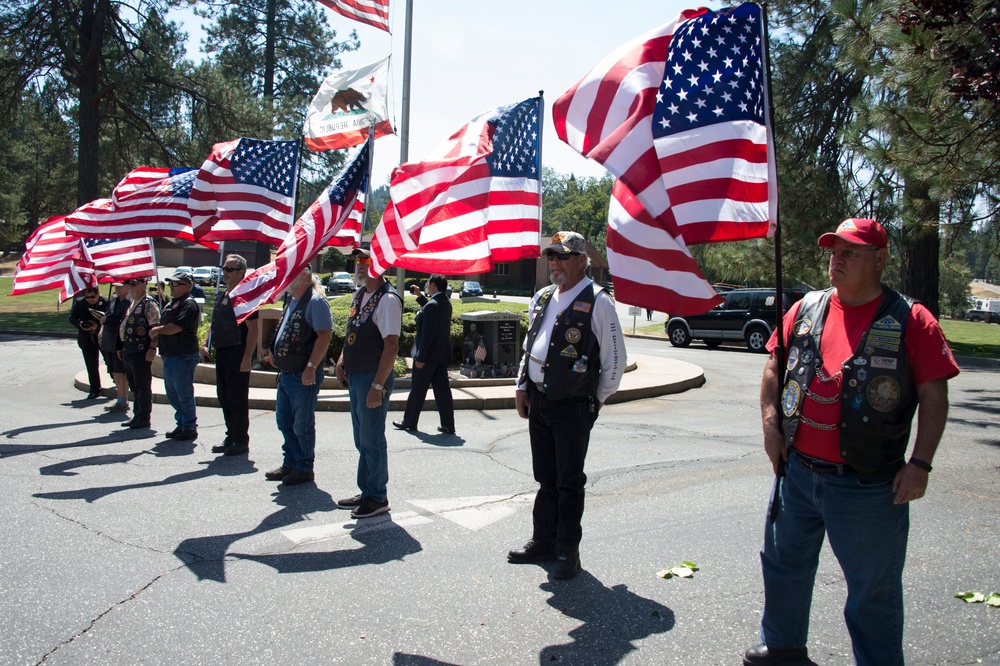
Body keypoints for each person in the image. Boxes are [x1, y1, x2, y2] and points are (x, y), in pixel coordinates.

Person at [743, 218, 960, 666]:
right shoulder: (806, 307)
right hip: (798, 472)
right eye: (833, 252)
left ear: (879, 260)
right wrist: (770, 426)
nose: (835, 261)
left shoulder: (910, 319)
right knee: (783, 565)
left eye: (849, 253)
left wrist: (920, 463)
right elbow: (773, 366)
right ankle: (783, 647)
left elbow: (933, 391)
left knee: (872, 590)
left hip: (868, 485)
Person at [508, 231, 626, 580]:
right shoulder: (543, 296)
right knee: (546, 478)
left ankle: (567, 551)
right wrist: (521, 385)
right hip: (540, 400)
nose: (555, 262)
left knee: (569, 482)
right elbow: (530, 345)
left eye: (562, 256)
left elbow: (615, 361)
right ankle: (542, 541)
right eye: (551, 256)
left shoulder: (599, 301)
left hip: (574, 404)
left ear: (580, 260)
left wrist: (597, 399)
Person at [334, 248, 401, 519]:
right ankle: (367, 489)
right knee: (361, 439)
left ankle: (377, 496)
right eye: (359, 261)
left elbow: (391, 346)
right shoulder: (360, 294)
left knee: (372, 439)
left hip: (373, 378)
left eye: (367, 260)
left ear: (381, 265)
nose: (360, 265)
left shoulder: (388, 299)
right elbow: (352, 331)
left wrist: (377, 386)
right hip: (356, 375)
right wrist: (340, 361)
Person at [263, 266, 333, 486]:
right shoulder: (292, 299)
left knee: (301, 425)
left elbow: (325, 336)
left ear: (304, 275)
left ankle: (304, 467)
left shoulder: (316, 302)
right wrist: (274, 351)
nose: (286, 277)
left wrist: (311, 367)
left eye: (291, 272)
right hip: (287, 373)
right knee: (284, 421)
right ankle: (291, 462)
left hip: (303, 374)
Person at [203, 254, 260, 456]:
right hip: (223, 350)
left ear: (241, 272)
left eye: (229, 269)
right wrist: (205, 343)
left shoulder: (246, 297)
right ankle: (231, 435)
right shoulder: (222, 295)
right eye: (224, 268)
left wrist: (247, 358)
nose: (225, 272)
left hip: (238, 352)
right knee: (224, 395)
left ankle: (240, 439)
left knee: (237, 398)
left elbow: (253, 329)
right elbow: (215, 322)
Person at [393, 275, 456, 434]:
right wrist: (420, 297)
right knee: (442, 391)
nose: (427, 286)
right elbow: (432, 312)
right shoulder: (445, 302)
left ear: (433, 285)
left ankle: (409, 421)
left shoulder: (432, 305)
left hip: (427, 358)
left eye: (428, 283)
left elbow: (427, 334)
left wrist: (420, 357)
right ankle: (448, 424)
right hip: (441, 356)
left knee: (418, 390)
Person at [150, 270, 202, 441]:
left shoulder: (188, 304)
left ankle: (189, 426)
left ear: (187, 286)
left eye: (175, 284)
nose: (171, 287)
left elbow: (176, 327)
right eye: (170, 283)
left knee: (183, 393)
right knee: (173, 393)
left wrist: (158, 330)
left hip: (183, 355)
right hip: (171, 354)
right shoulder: (172, 303)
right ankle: (181, 424)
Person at [118, 277, 159, 429]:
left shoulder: (149, 304)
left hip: (141, 350)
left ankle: (144, 417)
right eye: (130, 285)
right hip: (129, 349)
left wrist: (152, 348)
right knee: (134, 386)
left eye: (134, 284)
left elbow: (155, 328)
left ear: (143, 284)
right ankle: (137, 415)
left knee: (142, 386)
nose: (131, 288)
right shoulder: (132, 303)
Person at [96, 281, 131, 413]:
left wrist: (107, 320)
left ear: (128, 287)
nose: (117, 288)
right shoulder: (114, 300)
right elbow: (107, 316)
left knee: (121, 372)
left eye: (120, 286)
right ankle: (120, 397)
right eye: (116, 286)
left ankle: (124, 399)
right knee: (114, 372)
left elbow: (123, 320)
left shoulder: (129, 302)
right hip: (108, 340)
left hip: (119, 342)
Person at [69, 286, 108, 399]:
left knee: (110, 362)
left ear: (98, 294)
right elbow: (72, 318)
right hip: (87, 338)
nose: (90, 299)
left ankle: (115, 379)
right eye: (87, 297)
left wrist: (98, 325)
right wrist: (81, 324)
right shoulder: (80, 303)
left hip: (102, 338)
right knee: (91, 366)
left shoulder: (106, 302)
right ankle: (95, 389)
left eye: (92, 297)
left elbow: (111, 319)